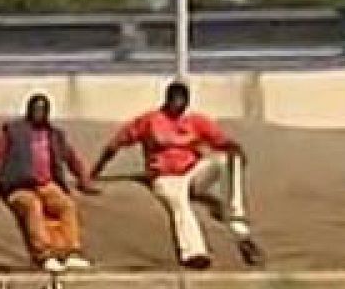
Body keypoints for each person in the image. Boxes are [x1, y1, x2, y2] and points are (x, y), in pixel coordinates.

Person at [90, 81, 262, 270]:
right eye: (175, 99)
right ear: (167, 99)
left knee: (227, 159)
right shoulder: (150, 121)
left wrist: (236, 151)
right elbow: (114, 145)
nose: (178, 104)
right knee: (180, 205)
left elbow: (222, 142)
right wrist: (94, 174)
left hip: (194, 172)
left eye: (183, 100)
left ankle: (235, 214)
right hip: (166, 176)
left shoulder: (196, 121)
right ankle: (194, 252)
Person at [0, 93, 99, 272]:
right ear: (29, 110)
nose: (39, 113)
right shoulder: (14, 132)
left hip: (46, 184)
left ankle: (71, 252)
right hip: (19, 185)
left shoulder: (54, 135)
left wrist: (84, 180)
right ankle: (44, 254)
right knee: (32, 206)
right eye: (36, 109)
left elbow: (72, 159)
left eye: (43, 110)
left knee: (66, 205)